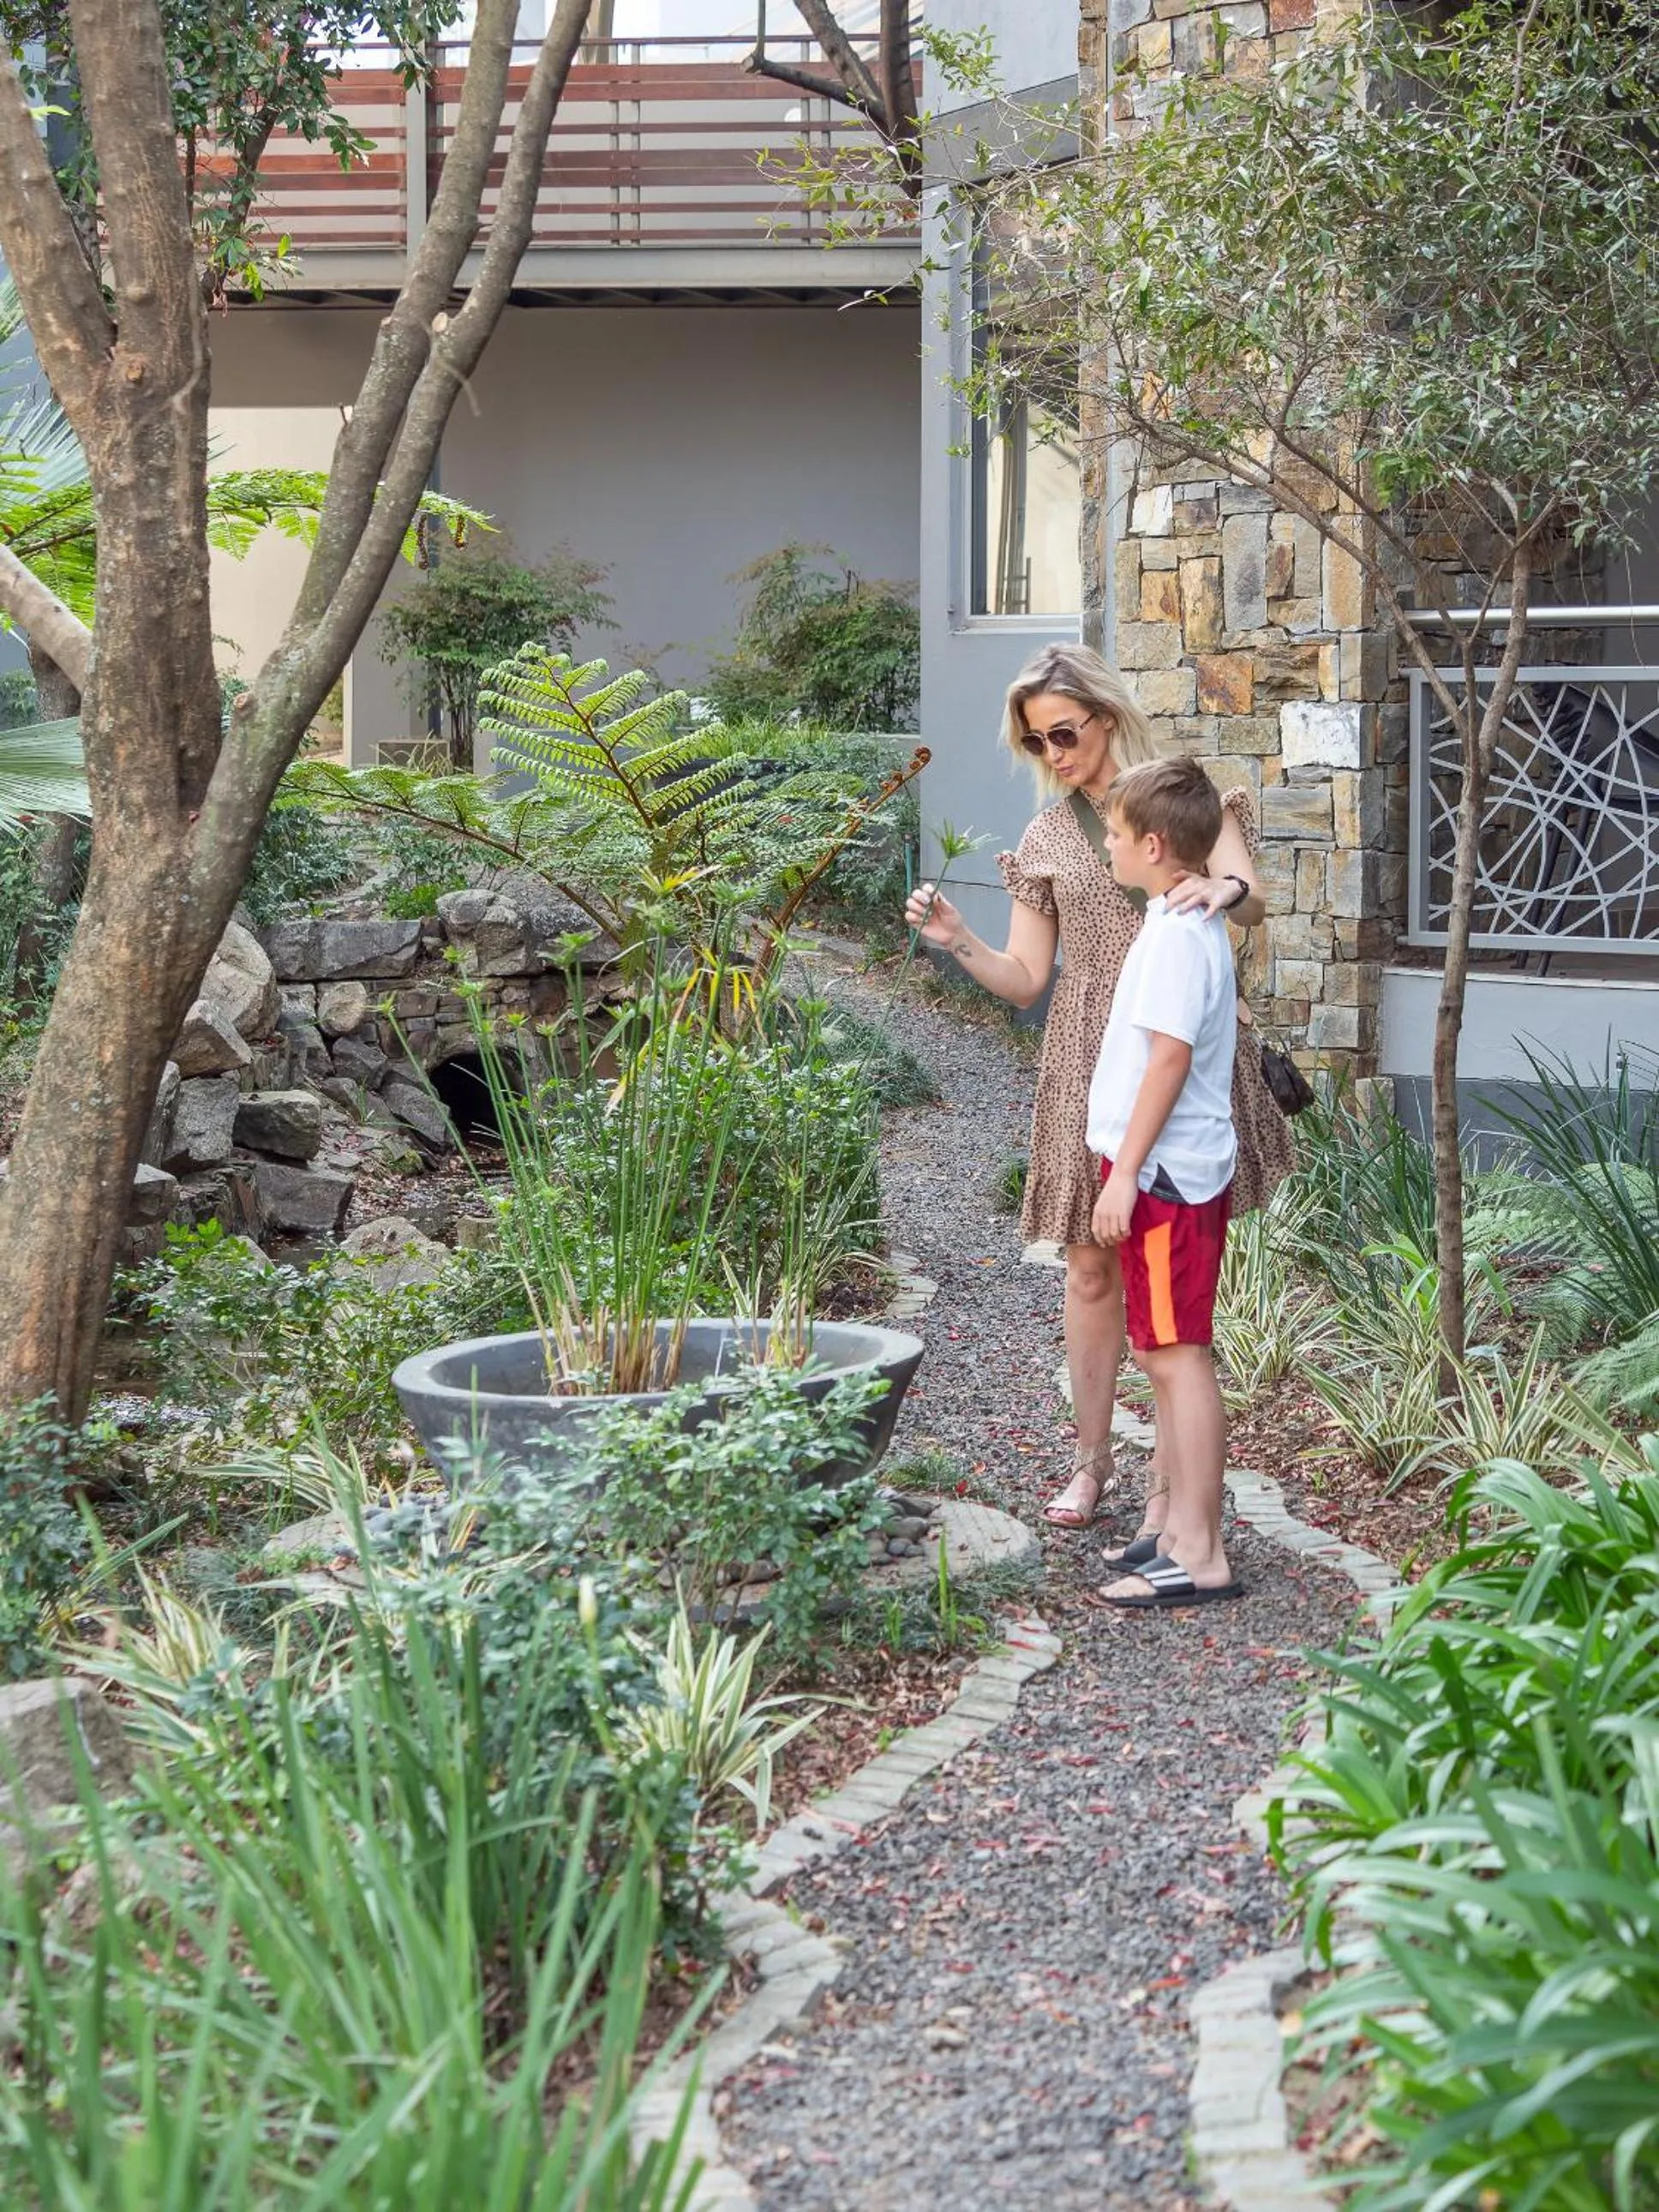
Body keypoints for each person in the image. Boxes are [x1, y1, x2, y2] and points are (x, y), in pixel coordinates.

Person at [903, 642, 1291, 1540]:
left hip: (1181, 1056)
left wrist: (1217, 885)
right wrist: (960, 940)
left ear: (1105, 716)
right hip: (1089, 1057)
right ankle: (1090, 1460)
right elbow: (1025, 978)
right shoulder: (1045, 838)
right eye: (1036, 743)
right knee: (1087, 1266)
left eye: (1064, 733)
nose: (1053, 755)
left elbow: (1254, 896)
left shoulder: (1178, 799)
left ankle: (1171, 1485)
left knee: (1175, 1277)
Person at [1086, 758, 1243, 1607]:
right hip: (1161, 1170)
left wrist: (1126, 1175)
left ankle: (1202, 1548)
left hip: (1169, 1177)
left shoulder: (1180, 934)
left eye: (1113, 834)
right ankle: (1179, 1531)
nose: (1105, 844)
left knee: (1179, 1357)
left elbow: (1169, 1059)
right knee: (1160, 1350)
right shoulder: (1175, 915)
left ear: (1152, 844)